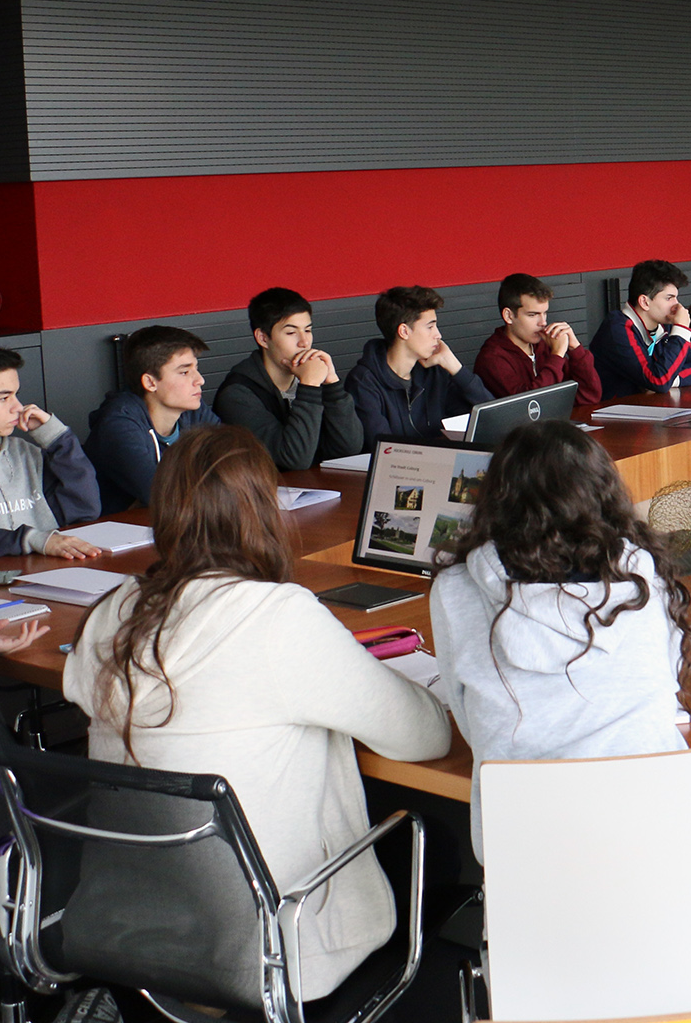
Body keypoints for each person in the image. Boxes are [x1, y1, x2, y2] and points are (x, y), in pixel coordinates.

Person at [63, 427, 450, 1000]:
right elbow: (426, 736)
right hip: (273, 942)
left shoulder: (113, 611)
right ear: (263, 510)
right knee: (435, 842)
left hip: (136, 923)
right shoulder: (275, 616)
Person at [432, 421, 691, 862]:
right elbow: (664, 683)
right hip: (658, 846)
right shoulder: (645, 579)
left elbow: (469, 722)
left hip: (523, 858)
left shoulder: (457, 590)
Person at [0, 341, 101, 558]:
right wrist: (30, 539)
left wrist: (57, 438)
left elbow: (84, 509)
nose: (18, 407)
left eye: (15, 395)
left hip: (50, 572)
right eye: (4, 398)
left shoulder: (25, 452)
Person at [212, 287, 365, 471]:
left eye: (308, 330)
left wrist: (332, 384)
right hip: (265, 495)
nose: (304, 342)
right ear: (263, 338)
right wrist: (309, 387)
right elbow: (293, 459)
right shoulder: (237, 394)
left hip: (319, 489)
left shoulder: (312, 377)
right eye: (291, 333)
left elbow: (349, 448)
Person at [85, 326, 220, 514]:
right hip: (116, 535)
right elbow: (162, 495)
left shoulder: (191, 409)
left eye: (196, 369)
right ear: (150, 382)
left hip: (172, 523)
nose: (200, 380)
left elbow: (235, 464)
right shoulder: (118, 424)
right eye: (184, 372)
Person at [347, 285, 493, 448]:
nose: (438, 335)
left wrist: (456, 367)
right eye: (430, 326)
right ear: (404, 331)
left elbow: (489, 417)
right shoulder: (363, 382)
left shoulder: (434, 372)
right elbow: (384, 449)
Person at [588, 260, 691, 398]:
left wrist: (673, 379)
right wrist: (681, 330)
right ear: (644, 302)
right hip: (609, 413)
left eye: (676, 298)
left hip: (646, 409)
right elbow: (658, 381)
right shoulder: (617, 329)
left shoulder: (663, 325)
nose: (677, 306)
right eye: (669, 298)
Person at [473, 273, 603, 406]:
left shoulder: (545, 345)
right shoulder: (492, 358)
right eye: (533, 315)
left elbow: (589, 397)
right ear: (509, 316)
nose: (543, 322)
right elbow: (531, 407)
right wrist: (557, 356)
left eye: (545, 313)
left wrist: (575, 349)